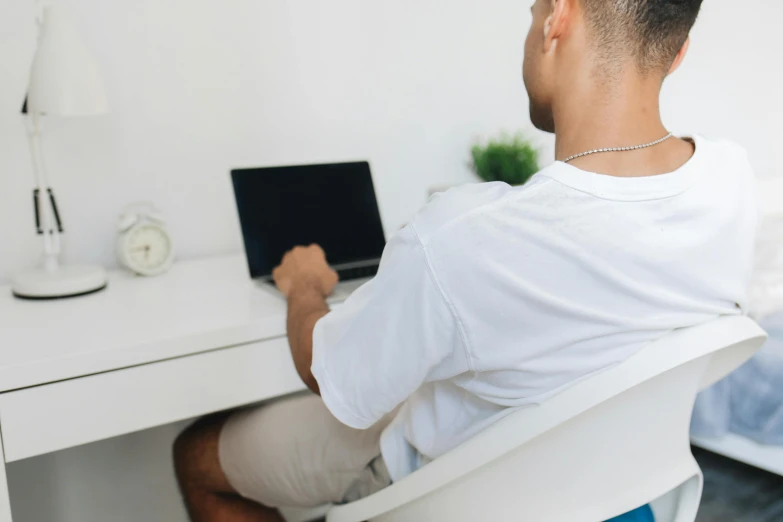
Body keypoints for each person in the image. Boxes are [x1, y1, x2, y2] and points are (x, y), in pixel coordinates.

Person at [173, 0, 757, 520]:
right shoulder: (730, 181)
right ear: (678, 53)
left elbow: (329, 376)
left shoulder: (463, 236)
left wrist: (304, 287)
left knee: (196, 455)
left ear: (558, 16)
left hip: (447, 488)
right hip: (614, 486)